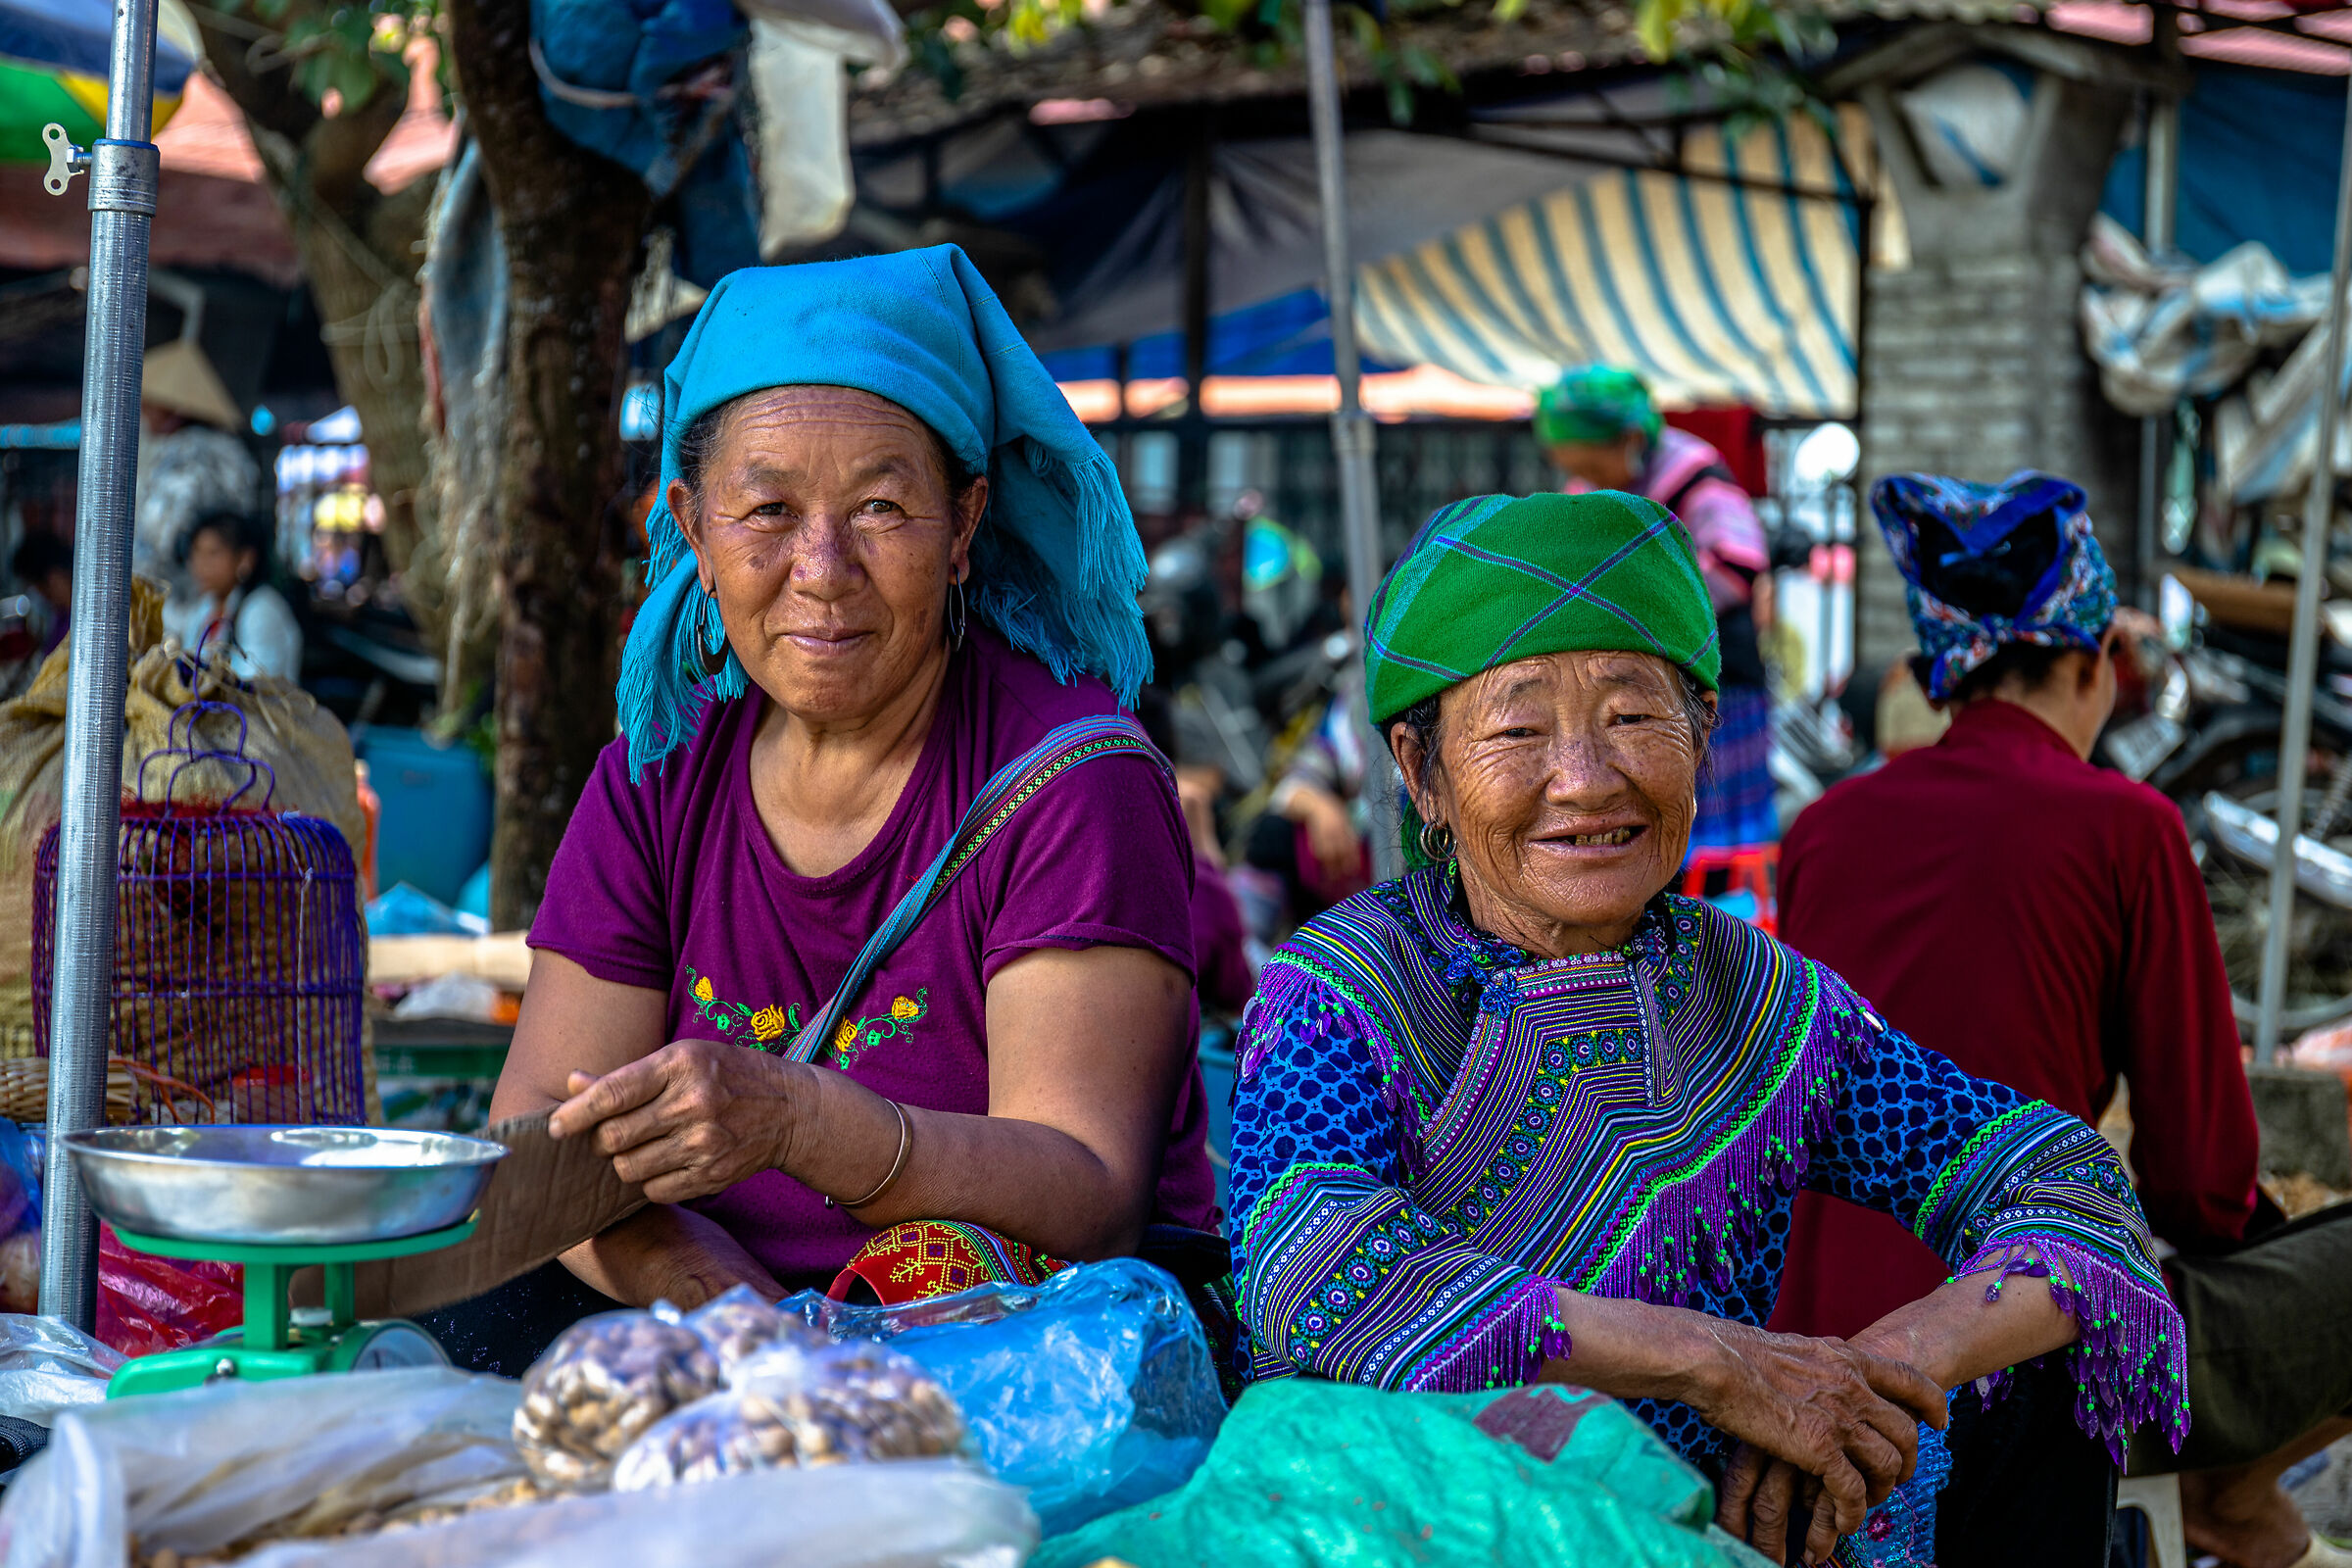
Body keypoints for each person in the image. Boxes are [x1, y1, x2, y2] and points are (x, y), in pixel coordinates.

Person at [1226, 490, 2187, 1568]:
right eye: (1516, 729)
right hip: (1417, 1523)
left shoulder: (1757, 998)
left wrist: (1875, 1370)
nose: (1585, 779)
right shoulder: (1347, 987)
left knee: (2035, 1366)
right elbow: (1314, 1266)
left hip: (1714, 1523)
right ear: (1421, 771)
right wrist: (1719, 1364)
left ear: (1704, 739)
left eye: (1635, 716)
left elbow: (2065, 1175)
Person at [462, 246, 1213, 1362]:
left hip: (1021, 1345)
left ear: (963, 527)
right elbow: (542, 1146)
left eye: (880, 507)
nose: (821, 567)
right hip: (725, 1317)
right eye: (765, 509)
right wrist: (748, 1320)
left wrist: (796, 1117)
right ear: (695, 529)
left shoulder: (1073, 780)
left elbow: (1089, 1188)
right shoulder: (657, 772)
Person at [1771, 471, 2352, 1568]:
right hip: (2021, 1362)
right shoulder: (2126, 826)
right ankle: (2232, 1494)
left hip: (1810, 1354)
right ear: (2093, 666)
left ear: (1947, 682)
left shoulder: (1824, 832)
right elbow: (2199, 1175)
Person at [1537, 368, 1777, 852]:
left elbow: (1739, 565)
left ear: (1628, 439)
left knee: (1716, 837)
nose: (1586, 478)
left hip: (1714, 686)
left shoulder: (1692, 474)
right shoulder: (1588, 491)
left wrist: (1637, 605)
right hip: (1631, 689)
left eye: (1593, 465)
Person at [133, 339, 261, 600]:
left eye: (151, 403)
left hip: (180, 595)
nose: (144, 412)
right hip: (218, 588)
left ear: (174, 408)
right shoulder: (229, 447)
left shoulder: (185, 451)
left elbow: (160, 533)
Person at [165, 511, 303, 681]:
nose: (200, 564)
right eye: (196, 552)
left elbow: (255, 688)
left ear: (245, 559)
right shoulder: (205, 608)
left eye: (213, 553)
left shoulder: (261, 611)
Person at [10, 533, 72, 658]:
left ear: (54, 577)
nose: (45, 597)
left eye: (41, 588)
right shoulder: (60, 618)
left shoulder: (79, 622)